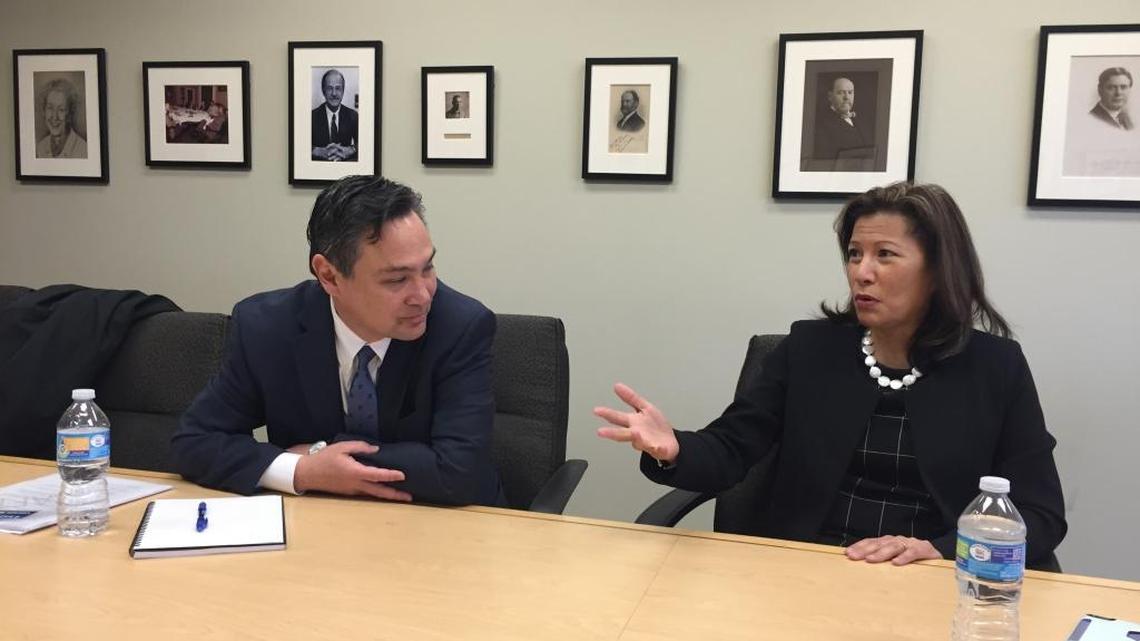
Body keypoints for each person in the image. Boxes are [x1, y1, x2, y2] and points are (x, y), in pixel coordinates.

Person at [596, 182, 1066, 568]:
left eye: (885, 255)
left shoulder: (994, 367)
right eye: (854, 253)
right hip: (809, 568)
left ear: (939, 272)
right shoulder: (809, 350)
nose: (862, 273)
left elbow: (1041, 513)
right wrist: (673, 448)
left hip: (931, 576)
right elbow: (733, 447)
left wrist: (940, 550)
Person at [171, 176, 504, 506]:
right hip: (320, 525)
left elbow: (459, 470)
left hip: (442, 523)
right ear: (329, 276)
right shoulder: (267, 328)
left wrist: (319, 456)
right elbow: (195, 441)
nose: (422, 295)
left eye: (428, 268)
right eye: (397, 279)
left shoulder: (460, 326)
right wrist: (302, 471)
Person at [812, 77, 874, 169]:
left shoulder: (861, 120)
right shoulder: (820, 125)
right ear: (830, 96)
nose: (846, 97)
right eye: (841, 92)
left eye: (850, 92)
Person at [311, 69, 359, 161]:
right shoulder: (311, 117)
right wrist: (315, 150)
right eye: (329, 88)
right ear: (323, 91)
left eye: (338, 88)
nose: (334, 93)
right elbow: (299, 144)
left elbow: (365, 143)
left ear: (343, 91)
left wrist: (352, 149)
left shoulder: (353, 116)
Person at [35, 78, 88, 159]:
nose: (54, 117)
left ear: (70, 114)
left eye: (61, 110)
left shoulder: (83, 149)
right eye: (50, 108)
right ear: (44, 110)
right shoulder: (40, 147)